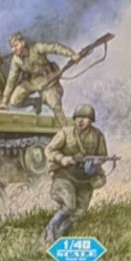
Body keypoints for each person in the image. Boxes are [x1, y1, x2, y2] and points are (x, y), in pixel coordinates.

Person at [42, 103, 110, 246]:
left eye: (84, 118)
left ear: (91, 120)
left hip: (85, 179)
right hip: (64, 175)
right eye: (78, 117)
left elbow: (103, 156)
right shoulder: (65, 133)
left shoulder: (97, 135)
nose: (80, 121)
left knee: (80, 212)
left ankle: (60, 235)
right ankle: (51, 229)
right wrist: (62, 158)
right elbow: (49, 150)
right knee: (69, 205)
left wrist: (95, 163)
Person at [1, 31, 77, 116]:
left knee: (54, 105)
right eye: (12, 47)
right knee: (14, 101)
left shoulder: (37, 48)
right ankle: (37, 102)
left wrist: (71, 54)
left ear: (22, 43)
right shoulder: (16, 60)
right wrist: (4, 101)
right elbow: (11, 80)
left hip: (47, 80)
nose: (13, 49)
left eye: (16, 45)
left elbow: (54, 48)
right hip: (32, 81)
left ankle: (62, 123)